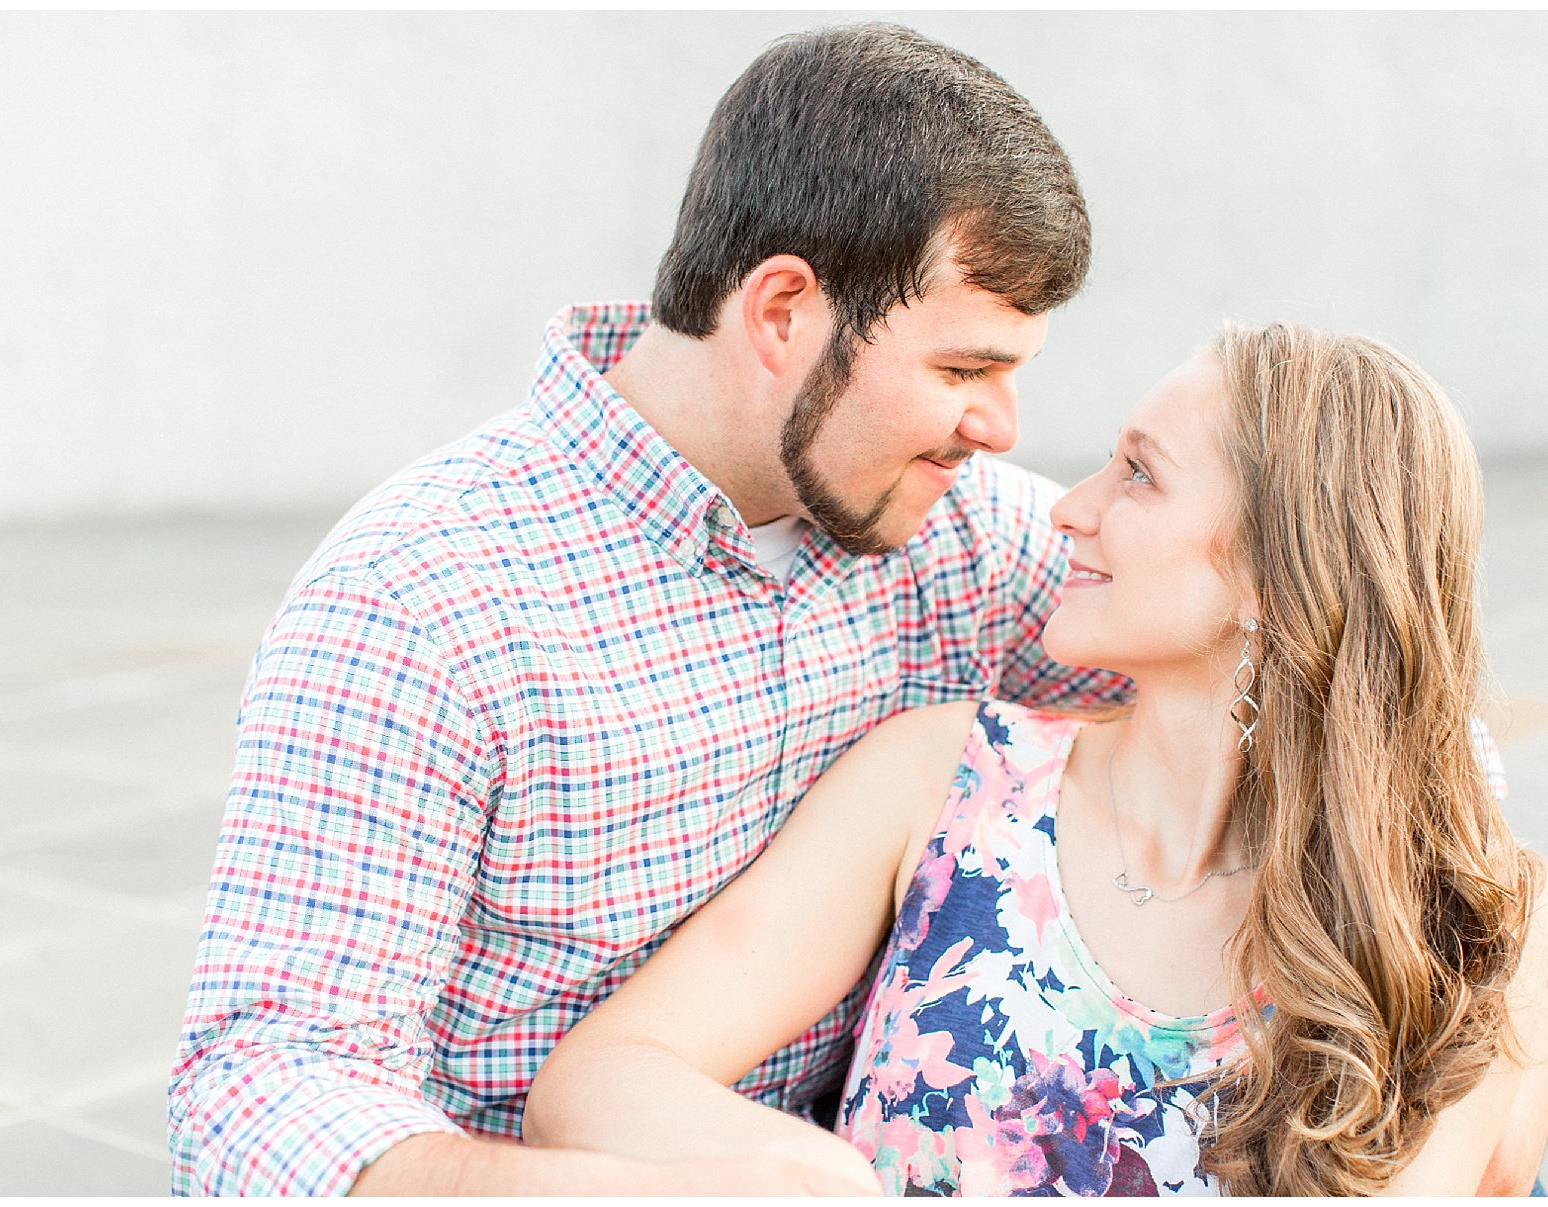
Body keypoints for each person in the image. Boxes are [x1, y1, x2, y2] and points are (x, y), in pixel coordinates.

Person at [167, 23, 1139, 1197]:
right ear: (783, 312)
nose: (1001, 428)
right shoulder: (422, 594)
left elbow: (1258, 644)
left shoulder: (955, 529)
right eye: (963, 371)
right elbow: (260, 1088)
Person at [521, 323, 1548, 1196]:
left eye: (1139, 476)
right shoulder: (946, 784)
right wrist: (814, 1175)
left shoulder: (1460, 923)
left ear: (1275, 577)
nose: (1069, 506)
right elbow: (599, 1077)